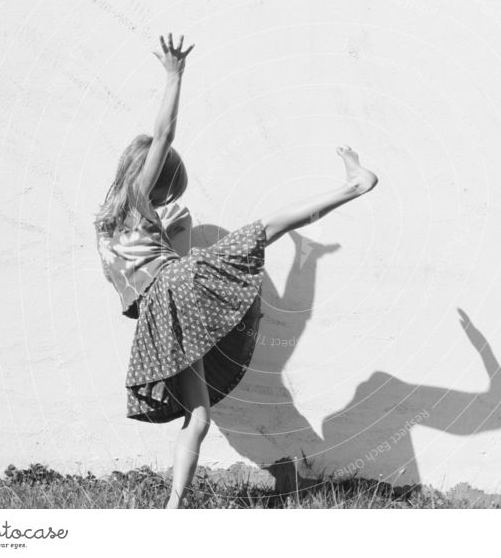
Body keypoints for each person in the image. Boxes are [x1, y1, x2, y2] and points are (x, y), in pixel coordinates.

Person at [93, 33, 378, 509]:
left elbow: (156, 278)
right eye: (164, 192)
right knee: (264, 229)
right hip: (173, 295)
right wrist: (173, 75)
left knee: (199, 418)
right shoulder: (138, 200)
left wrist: (173, 233)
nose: (164, 201)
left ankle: (172, 511)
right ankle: (353, 187)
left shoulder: (106, 224)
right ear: (151, 180)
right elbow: (162, 135)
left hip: (160, 314)